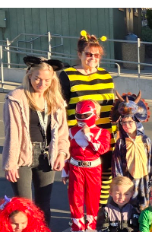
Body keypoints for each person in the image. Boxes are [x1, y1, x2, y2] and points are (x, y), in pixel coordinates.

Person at [2, 56, 68, 227]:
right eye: (37, 78)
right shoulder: (16, 98)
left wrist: (61, 153)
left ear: (52, 80)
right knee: (24, 205)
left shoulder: (56, 100)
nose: (41, 83)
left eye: (46, 80)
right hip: (22, 154)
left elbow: (62, 132)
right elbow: (13, 133)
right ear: (29, 75)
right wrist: (11, 163)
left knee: (43, 203)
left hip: (46, 155)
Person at [59, 31, 115, 209]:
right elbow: (60, 108)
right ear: (79, 55)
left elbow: (110, 106)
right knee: (79, 180)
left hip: (103, 135)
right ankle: (80, 218)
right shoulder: (67, 75)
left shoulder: (106, 76)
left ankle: (100, 212)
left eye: (96, 55)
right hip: (78, 138)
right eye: (88, 54)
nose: (92, 58)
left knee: (105, 175)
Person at [67, 99, 111, 232]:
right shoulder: (71, 131)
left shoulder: (102, 132)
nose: (81, 119)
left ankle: (91, 226)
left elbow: (102, 149)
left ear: (96, 115)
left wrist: (88, 135)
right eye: (78, 115)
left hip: (93, 169)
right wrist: (64, 171)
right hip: (76, 168)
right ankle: (77, 228)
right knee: (76, 198)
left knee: (93, 198)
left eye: (85, 115)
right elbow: (66, 152)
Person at [112, 92, 152, 209]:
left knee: (143, 208)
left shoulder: (145, 140)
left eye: (130, 122)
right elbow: (117, 165)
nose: (127, 125)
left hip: (143, 181)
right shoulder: (121, 143)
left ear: (136, 122)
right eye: (124, 122)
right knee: (128, 207)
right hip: (128, 182)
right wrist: (119, 183)